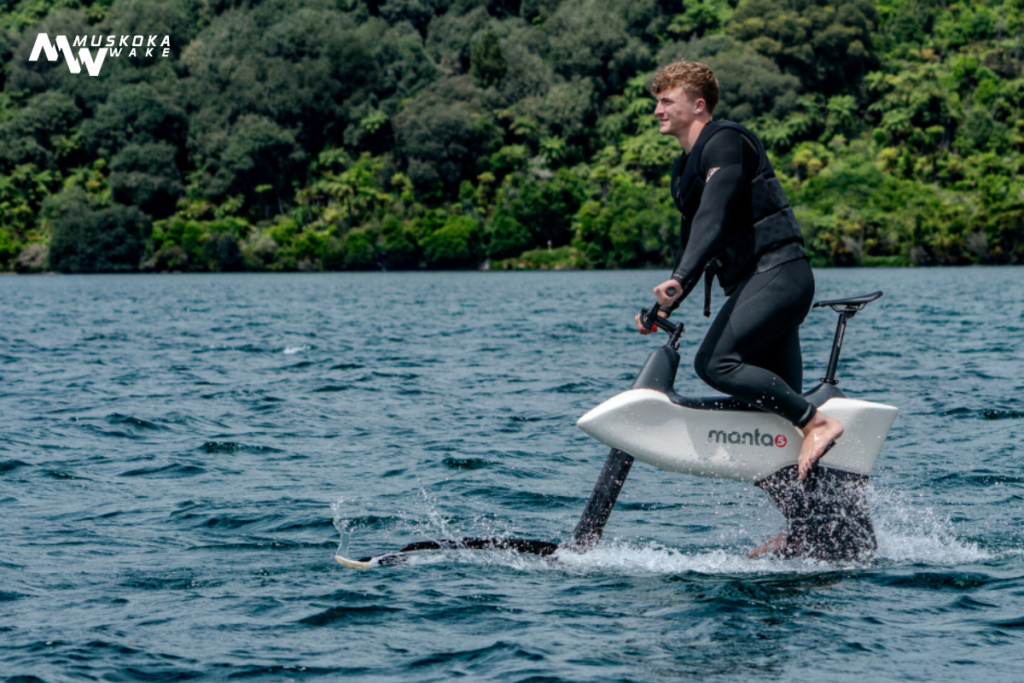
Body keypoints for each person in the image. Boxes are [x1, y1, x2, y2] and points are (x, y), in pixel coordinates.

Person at [634, 60, 844, 556]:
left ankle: (818, 422)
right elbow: (695, 241)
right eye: (657, 101)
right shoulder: (683, 169)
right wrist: (661, 306)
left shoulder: (726, 141)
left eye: (668, 100)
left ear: (698, 104)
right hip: (755, 285)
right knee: (770, 411)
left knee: (715, 363)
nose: (658, 109)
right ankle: (815, 529)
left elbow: (714, 215)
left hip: (781, 274)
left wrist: (680, 279)